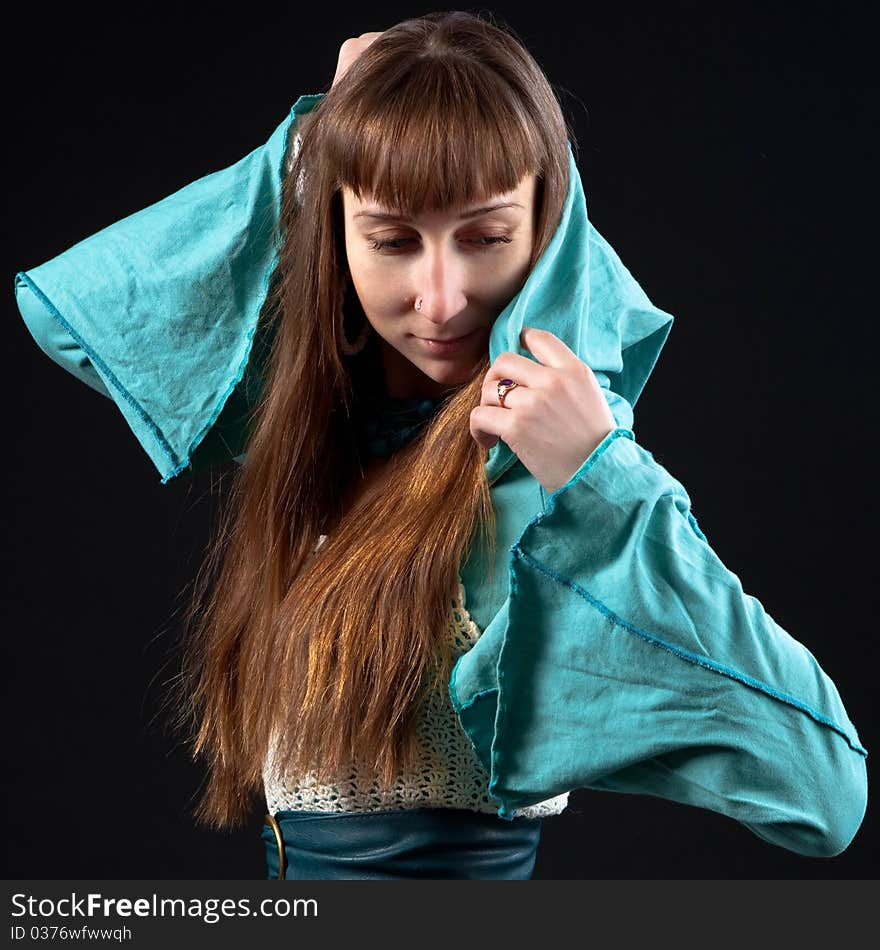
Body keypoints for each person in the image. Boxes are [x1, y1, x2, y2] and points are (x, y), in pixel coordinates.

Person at [14, 11, 868, 880]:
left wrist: (603, 479)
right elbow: (65, 317)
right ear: (334, 231)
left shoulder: (539, 472)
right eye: (391, 240)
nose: (442, 298)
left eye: (486, 237)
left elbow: (825, 792)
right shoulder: (320, 424)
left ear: (547, 229)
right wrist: (316, 145)